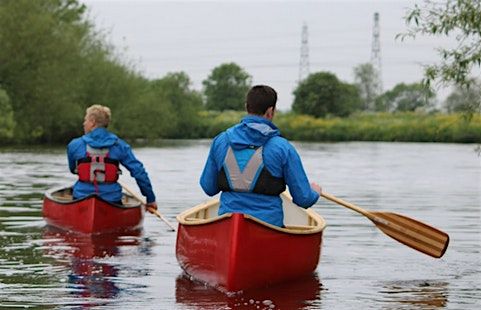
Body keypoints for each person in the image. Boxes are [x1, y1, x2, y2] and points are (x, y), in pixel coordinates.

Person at [200, 85, 321, 227]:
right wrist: (315, 192)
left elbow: (208, 188)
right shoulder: (283, 148)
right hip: (268, 227)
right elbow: (304, 199)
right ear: (270, 111)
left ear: (247, 107)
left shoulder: (220, 141)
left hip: (228, 223)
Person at [67, 104, 157, 211]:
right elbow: (139, 172)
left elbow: (73, 170)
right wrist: (150, 199)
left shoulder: (74, 145)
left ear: (92, 122)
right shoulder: (120, 146)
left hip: (81, 197)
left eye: (85, 119)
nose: (84, 123)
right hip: (112, 199)